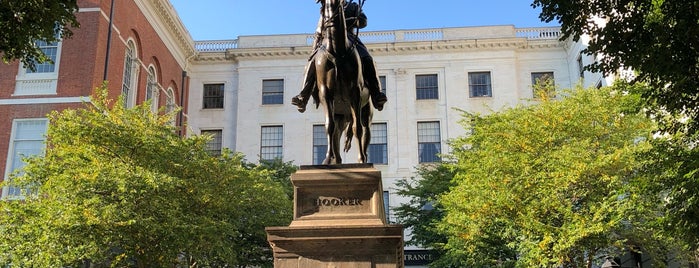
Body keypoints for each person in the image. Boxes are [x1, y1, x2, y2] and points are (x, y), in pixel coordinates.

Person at [291, 1, 388, 113]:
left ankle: (376, 94)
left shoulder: (353, 6)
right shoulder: (327, 6)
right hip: (327, 41)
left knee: (367, 58)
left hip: (350, 39)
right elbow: (319, 30)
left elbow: (363, 21)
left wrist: (349, 20)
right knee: (312, 62)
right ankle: (303, 96)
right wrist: (315, 49)